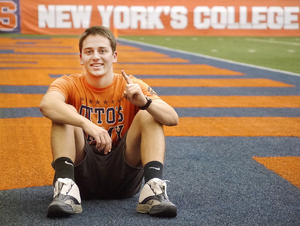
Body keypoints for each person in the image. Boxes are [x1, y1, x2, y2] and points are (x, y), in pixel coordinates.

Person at [39, 25, 179, 218]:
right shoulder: (69, 83)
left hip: (123, 176)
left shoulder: (131, 85)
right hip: (81, 177)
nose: (95, 56)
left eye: (102, 51)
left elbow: (172, 118)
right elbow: (47, 104)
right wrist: (87, 124)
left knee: (148, 113)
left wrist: (144, 102)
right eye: (89, 51)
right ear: (81, 58)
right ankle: (64, 187)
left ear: (114, 56)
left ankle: (153, 190)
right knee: (64, 112)